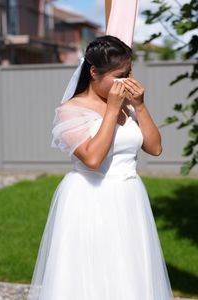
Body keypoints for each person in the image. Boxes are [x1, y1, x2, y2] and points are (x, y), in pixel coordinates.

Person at [26, 35, 174, 300]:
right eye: (119, 75)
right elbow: (93, 159)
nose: (126, 81)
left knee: (130, 271)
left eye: (129, 72)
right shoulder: (71, 110)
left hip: (129, 197)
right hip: (90, 198)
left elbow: (155, 148)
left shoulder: (128, 106)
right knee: (92, 273)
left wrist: (139, 106)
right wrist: (111, 111)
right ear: (94, 72)